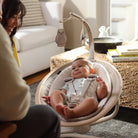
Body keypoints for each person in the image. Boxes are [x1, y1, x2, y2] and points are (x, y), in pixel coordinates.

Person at [0, 0, 60, 137]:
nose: (16, 23)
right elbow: (16, 105)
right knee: (50, 115)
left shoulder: (10, 41)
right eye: (12, 17)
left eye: (18, 18)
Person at [43, 58, 108, 119]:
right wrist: (53, 98)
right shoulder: (69, 82)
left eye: (80, 66)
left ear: (91, 71)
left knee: (93, 101)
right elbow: (62, 93)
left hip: (85, 103)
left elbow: (100, 96)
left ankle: (73, 113)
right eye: (73, 68)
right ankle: (59, 106)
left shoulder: (95, 80)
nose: (76, 69)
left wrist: (103, 87)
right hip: (67, 103)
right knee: (56, 92)